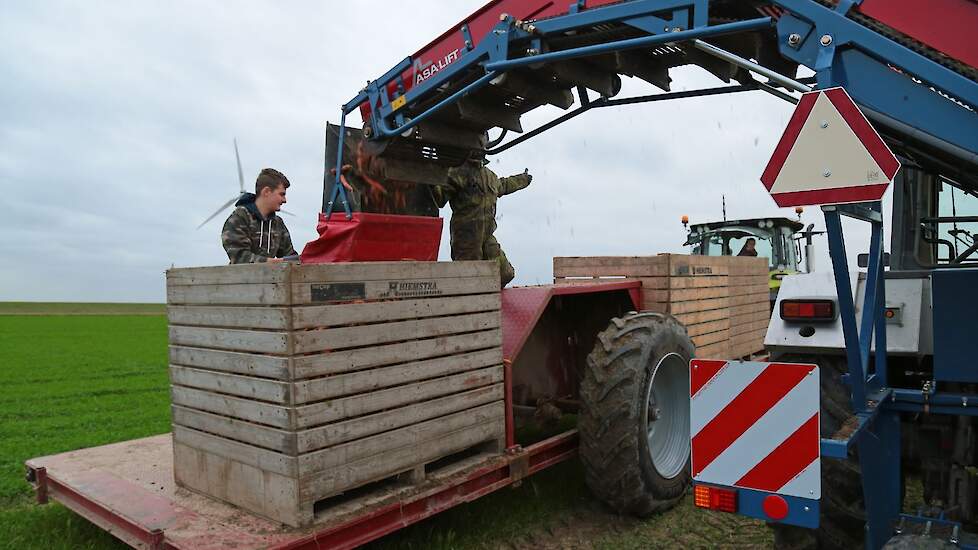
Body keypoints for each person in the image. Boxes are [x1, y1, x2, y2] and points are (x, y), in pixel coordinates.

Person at [433, 152, 531, 288]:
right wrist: (428, 178)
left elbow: (503, 185)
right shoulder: (457, 172)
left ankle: (486, 298)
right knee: (467, 283)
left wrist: (522, 180)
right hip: (466, 239)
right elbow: (438, 197)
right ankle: (475, 301)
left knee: (505, 273)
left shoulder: (489, 175)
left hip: (487, 237)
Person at [222, 168, 297, 264]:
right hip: (240, 278)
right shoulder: (240, 218)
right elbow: (239, 257)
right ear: (266, 192)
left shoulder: (277, 223)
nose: (284, 200)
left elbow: (289, 255)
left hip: (271, 278)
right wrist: (275, 263)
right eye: (281, 194)